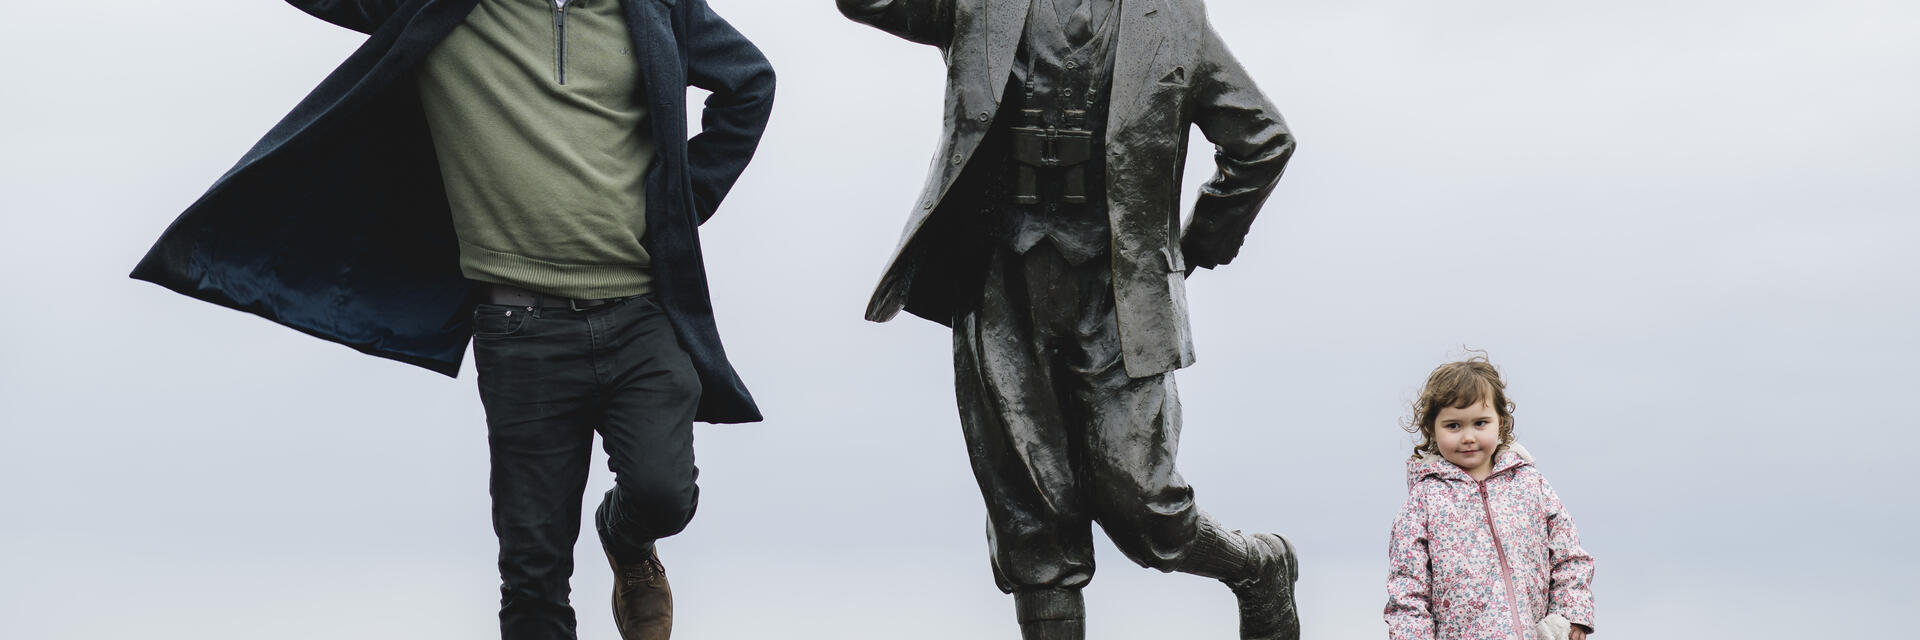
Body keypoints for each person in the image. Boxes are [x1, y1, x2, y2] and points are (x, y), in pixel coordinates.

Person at [128, 1, 775, 639]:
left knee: (664, 495)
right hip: (520, 331)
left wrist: (678, 204)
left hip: (642, 313)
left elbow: (749, 82)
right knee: (532, 578)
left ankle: (626, 538)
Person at [835, 1, 1299, 638]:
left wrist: (1191, 250)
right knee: (1032, 523)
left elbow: (1263, 139)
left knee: (1143, 503)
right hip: (1000, 282)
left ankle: (1256, 566)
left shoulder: (1173, 19)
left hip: (1117, 294)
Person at [1385, 356, 1598, 640]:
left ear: (1501, 422)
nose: (1468, 436)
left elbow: (1568, 555)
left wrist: (1572, 614)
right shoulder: (1423, 502)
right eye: (1453, 426)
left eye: (1480, 423)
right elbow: (1408, 589)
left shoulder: (1530, 484)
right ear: (1432, 429)